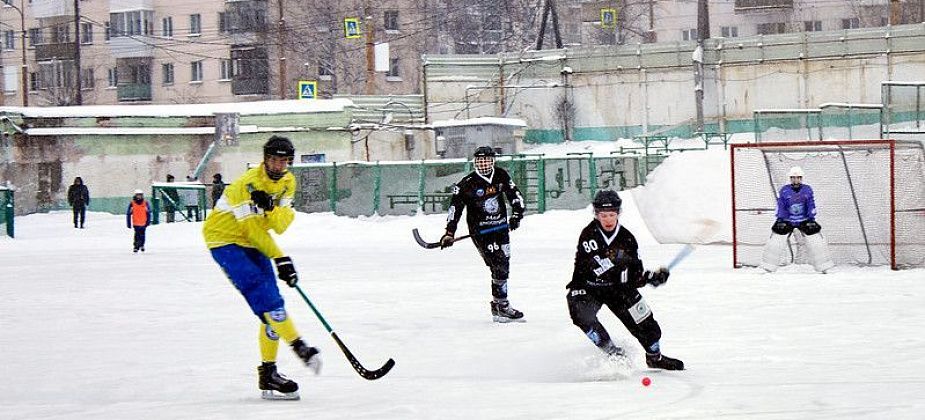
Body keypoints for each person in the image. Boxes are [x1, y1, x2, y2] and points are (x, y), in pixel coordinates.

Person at [202, 135, 320, 400]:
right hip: (225, 240)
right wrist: (280, 258)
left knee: (272, 304)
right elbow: (252, 231)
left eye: (284, 161)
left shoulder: (288, 182)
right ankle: (300, 347)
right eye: (274, 160)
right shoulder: (247, 184)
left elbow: (281, 224)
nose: (278, 166)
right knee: (267, 299)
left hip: (254, 242)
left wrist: (270, 208)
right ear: (265, 159)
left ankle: (269, 373)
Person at [567, 190, 684, 370]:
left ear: (618, 213)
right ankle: (613, 353)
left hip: (618, 289)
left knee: (648, 326)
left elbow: (634, 276)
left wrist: (651, 277)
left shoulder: (627, 238)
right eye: (603, 215)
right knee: (581, 314)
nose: (608, 220)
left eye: (611, 215)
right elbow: (592, 268)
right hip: (588, 287)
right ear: (596, 214)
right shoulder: (589, 235)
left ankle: (655, 357)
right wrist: (619, 264)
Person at [440, 146, 527, 323]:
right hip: (481, 232)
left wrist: (517, 215)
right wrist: (449, 232)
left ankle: (499, 305)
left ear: (493, 161)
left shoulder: (501, 175)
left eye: (487, 160)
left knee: (503, 266)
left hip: (501, 229)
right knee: (498, 263)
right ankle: (501, 305)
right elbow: (455, 209)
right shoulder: (466, 184)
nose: (483, 164)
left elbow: (515, 195)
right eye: (480, 160)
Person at [760, 166, 834, 273]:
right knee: (775, 240)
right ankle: (767, 266)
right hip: (788, 219)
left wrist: (811, 218)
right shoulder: (785, 190)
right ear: (790, 178)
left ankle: (825, 266)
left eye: (798, 177)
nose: (795, 180)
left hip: (804, 219)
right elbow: (781, 205)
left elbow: (811, 203)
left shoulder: (807, 189)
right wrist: (780, 219)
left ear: (801, 178)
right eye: (793, 178)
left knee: (817, 240)